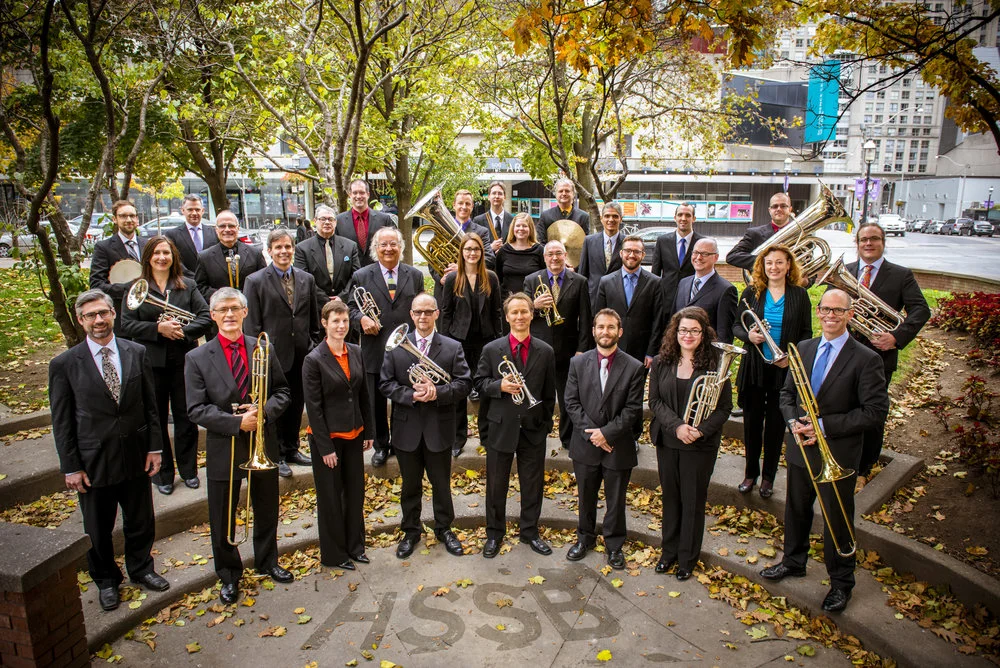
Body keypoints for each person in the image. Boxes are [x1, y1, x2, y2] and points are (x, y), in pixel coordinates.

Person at [761, 289, 889, 614]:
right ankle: (794, 561)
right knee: (797, 510)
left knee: (838, 520)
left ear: (849, 314)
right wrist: (794, 424)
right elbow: (787, 395)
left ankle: (841, 583)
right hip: (800, 447)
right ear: (818, 312)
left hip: (838, 453)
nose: (831, 316)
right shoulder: (803, 349)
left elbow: (874, 412)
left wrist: (822, 426)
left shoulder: (866, 358)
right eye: (826, 309)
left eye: (838, 311)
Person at [50, 290, 170, 611]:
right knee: (98, 528)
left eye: (103, 313)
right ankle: (106, 580)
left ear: (114, 314)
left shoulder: (136, 352)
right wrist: (71, 466)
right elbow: (62, 422)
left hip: (135, 454)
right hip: (93, 461)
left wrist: (155, 447)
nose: (98, 320)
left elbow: (151, 407)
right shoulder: (64, 364)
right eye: (90, 315)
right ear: (81, 320)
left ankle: (142, 568)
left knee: (141, 520)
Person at [185, 288, 295, 605]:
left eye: (236, 308)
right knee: (222, 515)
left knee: (266, 508)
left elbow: (282, 393)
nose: (230, 315)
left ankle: (267, 561)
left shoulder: (263, 348)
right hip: (225, 446)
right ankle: (230, 575)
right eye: (223, 309)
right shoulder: (196, 358)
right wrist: (236, 423)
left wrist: (263, 413)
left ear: (245, 312)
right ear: (213, 315)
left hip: (263, 443)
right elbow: (195, 409)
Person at [379, 294, 473, 559]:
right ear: (411, 315)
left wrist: (437, 393)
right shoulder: (396, 346)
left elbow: (464, 384)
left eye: (428, 312)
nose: (422, 317)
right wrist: (410, 396)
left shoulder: (452, 347)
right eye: (418, 312)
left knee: (441, 484)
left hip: (439, 429)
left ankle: (444, 528)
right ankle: (411, 531)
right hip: (406, 428)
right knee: (410, 486)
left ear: (436, 314)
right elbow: (385, 384)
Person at [120, 235, 212, 495]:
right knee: (156, 417)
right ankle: (163, 474)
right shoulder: (137, 288)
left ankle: (189, 470)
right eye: (157, 253)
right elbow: (126, 325)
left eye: (167, 253)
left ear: (174, 257)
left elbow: (205, 318)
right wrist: (157, 328)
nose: (162, 257)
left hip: (184, 360)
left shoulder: (188, 286)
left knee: (186, 416)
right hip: (151, 362)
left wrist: (181, 332)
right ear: (148, 257)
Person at [648, 307, 733, 580]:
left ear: (704, 333)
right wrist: (677, 427)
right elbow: (655, 402)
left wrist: (700, 431)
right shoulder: (662, 362)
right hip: (669, 441)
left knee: (693, 502)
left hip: (699, 445)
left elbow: (724, 408)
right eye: (683, 330)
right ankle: (668, 553)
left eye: (694, 330)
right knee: (671, 499)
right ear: (676, 331)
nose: (688, 335)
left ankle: (687, 558)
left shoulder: (716, 364)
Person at [845, 222, 930, 482]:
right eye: (863, 240)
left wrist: (896, 337)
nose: (868, 244)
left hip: (880, 354)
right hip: (846, 352)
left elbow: (921, 310)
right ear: (857, 244)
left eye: (874, 239)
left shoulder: (900, 274)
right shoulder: (847, 272)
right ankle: (845, 457)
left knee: (872, 410)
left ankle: (865, 465)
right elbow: (831, 304)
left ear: (883, 242)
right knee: (845, 406)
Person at [474, 293, 557, 559]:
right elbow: (478, 384)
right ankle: (494, 534)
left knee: (532, 485)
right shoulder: (491, 349)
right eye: (514, 313)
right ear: (507, 317)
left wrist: (544, 424)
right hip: (501, 427)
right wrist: (499, 386)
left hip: (533, 428)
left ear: (532, 314)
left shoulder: (545, 351)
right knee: (496, 485)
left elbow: (549, 393)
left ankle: (530, 532)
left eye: (524, 312)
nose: (520, 317)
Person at [563, 309, 644, 569]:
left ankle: (614, 545)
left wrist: (606, 434)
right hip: (585, 444)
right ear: (593, 331)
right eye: (600, 327)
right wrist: (594, 435)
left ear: (619, 332)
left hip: (617, 446)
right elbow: (571, 403)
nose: (605, 332)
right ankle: (584, 539)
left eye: (611, 327)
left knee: (616, 499)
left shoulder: (633, 366)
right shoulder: (578, 363)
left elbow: (632, 409)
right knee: (585, 496)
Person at [732, 245, 812, 498]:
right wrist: (749, 335)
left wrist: (792, 358)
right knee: (752, 425)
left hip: (782, 370)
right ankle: (750, 473)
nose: (774, 267)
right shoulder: (752, 292)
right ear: (762, 267)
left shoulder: (799, 295)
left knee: (777, 426)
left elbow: (807, 333)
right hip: (755, 369)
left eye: (779, 263)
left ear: (789, 266)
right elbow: (736, 325)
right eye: (769, 263)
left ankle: (768, 477)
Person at [243, 229, 321, 478]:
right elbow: (252, 324)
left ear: (293, 249)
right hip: (272, 357)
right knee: (275, 408)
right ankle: (275, 454)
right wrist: (260, 354)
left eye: (287, 247)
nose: (283, 251)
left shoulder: (306, 278)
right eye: (278, 247)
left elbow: (313, 319)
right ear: (269, 251)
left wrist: (313, 345)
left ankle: (291, 448)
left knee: (297, 403)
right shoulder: (254, 281)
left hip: (301, 354)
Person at [302, 300, 374, 570]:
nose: (341, 326)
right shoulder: (313, 359)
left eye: (345, 321)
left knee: (355, 493)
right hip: (328, 439)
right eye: (336, 321)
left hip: (355, 434)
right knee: (331, 498)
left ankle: (356, 547)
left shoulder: (356, 351)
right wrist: (325, 448)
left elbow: (364, 395)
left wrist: (368, 431)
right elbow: (314, 407)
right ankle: (335, 554)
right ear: (324, 323)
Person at [347, 226, 425, 466]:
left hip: (406, 349)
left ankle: (406, 442)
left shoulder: (414, 275)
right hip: (375, 347)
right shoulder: (361, 275)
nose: (389, 249)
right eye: (383, 244)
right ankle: (381, 445)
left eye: (394, 244)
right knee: (376, 402)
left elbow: (421, 306)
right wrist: (362, 319)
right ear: (375, 249)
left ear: (400, 248)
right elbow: (350, 307)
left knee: (406, 398)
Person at [523, 240, 593, 449]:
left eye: (559, 254)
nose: (554, 258)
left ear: (565, 256)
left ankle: (568, 439)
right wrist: (533, 306)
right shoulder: (531, 280)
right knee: (535, 397)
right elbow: (521, 314)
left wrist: (582, 349)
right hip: (537, 349)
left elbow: (586, 319)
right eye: (550, 254)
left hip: (568, 350)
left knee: (567, 399)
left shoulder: (579, 281)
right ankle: (536, 436)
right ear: (544, 258)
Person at [440, 233, 502, 457]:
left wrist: (498, 340)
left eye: (476, 249)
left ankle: (486, 437)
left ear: (481, 252)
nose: (472, 253)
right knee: (458, 392)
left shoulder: (491, 278)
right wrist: (444, 343)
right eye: (468, 249)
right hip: (458, 342)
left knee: (486, 391)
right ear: (462, 252)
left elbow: (497, 312)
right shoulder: (451, 279)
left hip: (486, 342)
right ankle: (457, 439)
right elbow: (446, 314)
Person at [595, 235, 663, 370]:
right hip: (612, 347)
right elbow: (598, 317)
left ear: (643, 255)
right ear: (621, 253)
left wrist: (651, 352)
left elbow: (658, 319)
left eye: (637, 252)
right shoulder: (606, 282)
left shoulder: (655, 282)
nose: (631, 255)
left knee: (636, 390)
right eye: (628, 251)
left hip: (641, 351)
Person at [88, 200, 148, 335]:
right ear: (115, 219)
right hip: (123, 316)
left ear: (137, 219)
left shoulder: (148, 244)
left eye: (132, 216)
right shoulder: (104, 247)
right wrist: (131, 288)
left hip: (149, 316)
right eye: (123, 216)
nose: (129, 219)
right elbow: (96, 284)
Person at [430, 189, 496, 300]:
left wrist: (462, 268)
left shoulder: (481, 232)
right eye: (460, 203)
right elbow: (432, 259)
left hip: (471, 289)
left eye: (467, 204)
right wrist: (439, 278)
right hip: (445, 288)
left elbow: (489, 259)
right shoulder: (441, 228)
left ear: (472, 206)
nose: (464, 207)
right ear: (454, 205)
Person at [672, 238, 737, 344]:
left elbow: (724, 335)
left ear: (716, 257)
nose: (698, 257)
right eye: (696, 252)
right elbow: (674, 323)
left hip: (706, 356)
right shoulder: (683, 283)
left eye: (705, 254)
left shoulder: (726, 290)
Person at [294, 204, 361, 305]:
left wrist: (342, 298)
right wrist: (325, 300)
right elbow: (302, 280)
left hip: (345, 306)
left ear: (335, 222)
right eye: (323, 219)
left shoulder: (350, 246)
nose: (327, 222)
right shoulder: (302, 249)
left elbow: (356, 276)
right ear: (315, 221)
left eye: (330, 219)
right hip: (317, 306)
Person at [194, 210, 266, 301]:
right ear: (216, 230)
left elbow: (264, 282)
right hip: (220, 309)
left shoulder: (255, 253)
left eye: (231, 226)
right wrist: (224, 296)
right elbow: (200, 287)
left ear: (238, 228)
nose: (227, 229)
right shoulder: (204, 257)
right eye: (222, 226)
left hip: (250, 308)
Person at [725, 192, 794, 273]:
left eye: (783, 206)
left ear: (790, 209)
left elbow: (809, 273)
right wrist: (765, 261)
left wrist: (806, 282)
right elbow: (732, 256)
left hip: (791, 284)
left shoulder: (802, 234)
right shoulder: (754, 233)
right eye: (775, 206)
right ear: (769, 210)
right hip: (763, 284)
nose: (778, 209)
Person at [651, 202, 701, 312]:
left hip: (691, 300)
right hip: (666, 301)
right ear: (675, 218)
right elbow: (655, 273)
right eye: (680, 215)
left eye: (688, 215)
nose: (683, 218)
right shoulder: (662, 241)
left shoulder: (701, 242)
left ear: (694, 218)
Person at [335, 179, 396, 265]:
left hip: (377, 272)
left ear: (368, 194)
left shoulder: (384, 220)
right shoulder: (338, 221)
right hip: (349, 274)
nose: (358, 196)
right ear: (350, 195)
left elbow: (393, 246)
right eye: (355, 193)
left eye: (362, 192)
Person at [577, 201, 625, 306]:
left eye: (615, 216)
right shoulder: (589, 241)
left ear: (621, 219)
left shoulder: (627, 243)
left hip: (619, 299)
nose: (611, 220)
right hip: (593, 298)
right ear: (601, 219)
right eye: (607, 216)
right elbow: (583, 273)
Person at [164, 194, 218, 276]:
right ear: (183, 210)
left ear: (202, 211)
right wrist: (193, 278)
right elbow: (175, 261)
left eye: (197, 209)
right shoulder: (172, 235)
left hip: (211, 282)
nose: (194, 213)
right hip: (186, 282)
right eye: (190, 209)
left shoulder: (214, 232)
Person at [495, 213, 545, 299]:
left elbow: (544, 277)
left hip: (532, 301)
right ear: (513, 228)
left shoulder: (539, 250)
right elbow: (499, 278)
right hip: (508, 302)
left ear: (530, 229)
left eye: (524, 226)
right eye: (518, 226)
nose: (521, 229)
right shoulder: (504, 251)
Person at [535, 178, 591, 243]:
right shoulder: (545, 216)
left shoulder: (583, 217)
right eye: (560, 191)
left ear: (573, 194)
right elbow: (541, 241)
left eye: (567, 191)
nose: (564, 194)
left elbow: (587, 242)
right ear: (555, 194)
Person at [473, 181, 514, 253]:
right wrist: (490, 247)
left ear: (504, 197)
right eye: (494, 193)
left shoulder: (512, 220)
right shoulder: (478, 221)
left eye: (500, 193)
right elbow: (473, 246)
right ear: (488, 197)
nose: (497, 196)